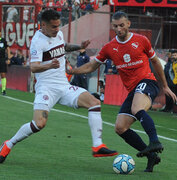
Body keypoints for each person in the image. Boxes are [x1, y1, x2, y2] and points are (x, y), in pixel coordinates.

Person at [0, 9, 117, 164]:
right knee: (39, 124)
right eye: (53, 27)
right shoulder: (37, 41)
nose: (57, 29)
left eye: (58, 26)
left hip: (64, 86)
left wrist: (79, 46)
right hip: (46, 88)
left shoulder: (58, 34)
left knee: (94, 103)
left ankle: (97, 146)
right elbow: (33, 67)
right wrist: (49, 65)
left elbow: (64, 46)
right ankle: (8, 144)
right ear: (43, 25)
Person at [68, 11, 177, 172]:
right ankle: (151, 156)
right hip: (133, 90)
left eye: (121, 25)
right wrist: (73, 71)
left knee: (136, 109)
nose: (118, 29)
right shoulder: (110, 47)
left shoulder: (141, 40)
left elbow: (156, 62)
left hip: (148, 82)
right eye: (115, 26)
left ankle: (154, 141)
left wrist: (165, 86)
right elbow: (92, 66)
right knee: (120, 127)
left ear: (128, 24)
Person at [0, 30, 11, 95]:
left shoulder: (3, 40)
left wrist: (9, 58)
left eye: (0, 32)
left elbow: (8, 49)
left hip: (2, 59)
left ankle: (3, 90)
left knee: (3, 74)